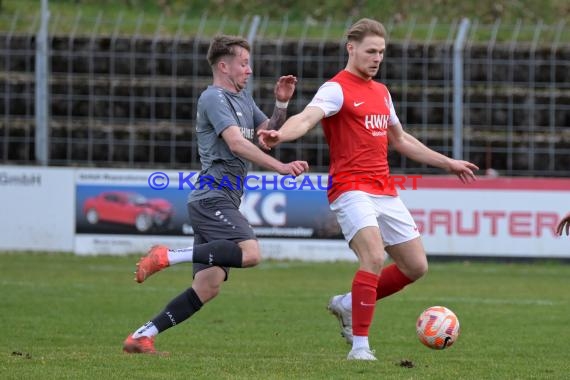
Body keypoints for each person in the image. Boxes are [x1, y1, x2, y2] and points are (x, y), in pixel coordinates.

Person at [258, 18, 478, 361]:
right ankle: (360, 347)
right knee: (374, 256)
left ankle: (348, 303)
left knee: (415, 266)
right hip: (350, 188)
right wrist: (281, 134)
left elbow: (401, 140)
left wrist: (447, 162)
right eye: (371, 51)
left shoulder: (382, 92)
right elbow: (307, 117)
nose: (377, 58)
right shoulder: (336, 88)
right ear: (352, 48)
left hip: (384, 189)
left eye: (382, 52)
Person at [122, 35, 309, 354]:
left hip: (220, 199)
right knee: (250, 253)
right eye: (244, 63)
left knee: (207, 287)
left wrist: (281, 104)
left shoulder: (243, 98)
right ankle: (167, 256)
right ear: (224, 66)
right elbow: (237, 143)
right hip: (213, 196)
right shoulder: (213, 98)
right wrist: (279, 167)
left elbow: (266, 137)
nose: (249, 70)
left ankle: (142, 335)